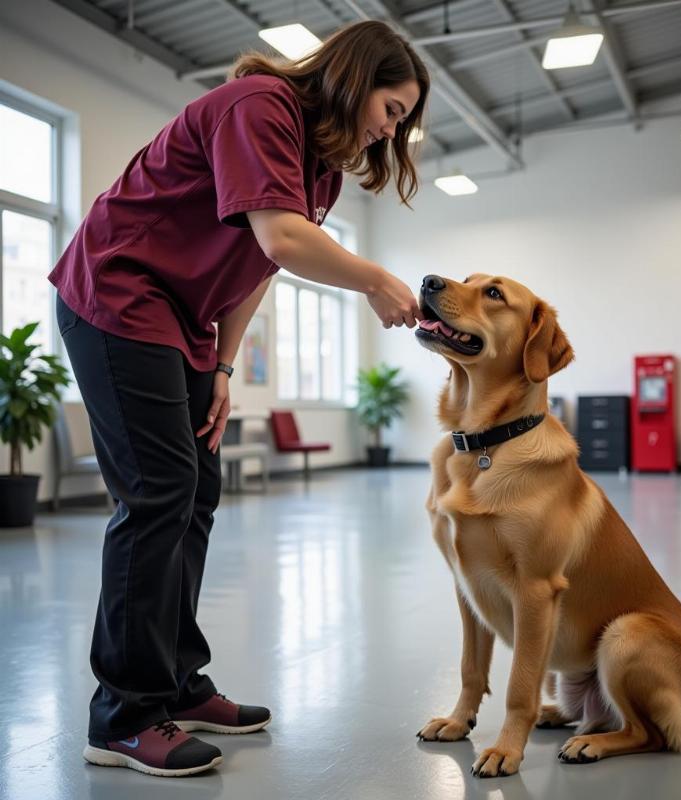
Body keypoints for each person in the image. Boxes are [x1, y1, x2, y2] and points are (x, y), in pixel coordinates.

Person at [48, 20, 429, 778]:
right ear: (357, 80)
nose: (392, 130)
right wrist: (378, 279)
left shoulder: (320, 165)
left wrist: (222, 368)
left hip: (183, 319)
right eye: (392, 109)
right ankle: (121, 716)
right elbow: (285, 239)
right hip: (119, 291)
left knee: (197, 492)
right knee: (159, 492)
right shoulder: (260, 106)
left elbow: (260, 268)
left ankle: (176, 683)